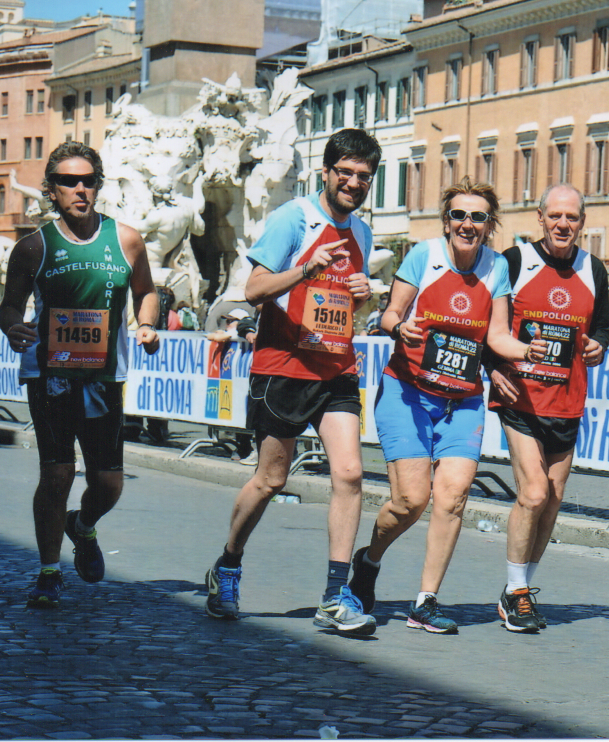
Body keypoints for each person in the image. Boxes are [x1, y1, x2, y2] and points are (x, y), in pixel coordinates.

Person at [347, 177, 547, 634]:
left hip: (463, 400)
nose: (467, 224)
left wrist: (522, 351)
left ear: (489, 225)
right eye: (459, 215)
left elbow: (495, 334)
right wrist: (401, 329)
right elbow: (389, 313)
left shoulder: (497, 267)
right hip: (408, 392)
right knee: (410, 501)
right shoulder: (424, 256)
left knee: (453, 498)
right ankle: (369, 559)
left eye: (478, 217)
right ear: (446, 220)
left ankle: (426, 601)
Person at [203, 128, 380, 634]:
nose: (352, 183)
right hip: (282, 367)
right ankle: (228, 563)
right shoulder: (294, 219)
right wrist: (304, 270)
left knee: (349, 475)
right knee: (271, 479)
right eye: (344, 173)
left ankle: (334, 596)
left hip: (336, 367)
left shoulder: (362, 234)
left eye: (363, 177)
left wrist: (362, 294)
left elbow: (340, 301)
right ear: (326, 173)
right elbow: (253, 289)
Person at [0, 142, 161, 608]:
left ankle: (82, 526)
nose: (80, 189)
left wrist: (146, 323)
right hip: (50, 373)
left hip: (104, 376)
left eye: (88, 180)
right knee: (57, 473)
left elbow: (146, 291)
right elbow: (11, 303)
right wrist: (13, 327)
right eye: (68, 181)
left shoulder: (126, 239)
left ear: (99, 185)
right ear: (51, 189)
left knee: (108, 484)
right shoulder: (34, 247)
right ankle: (49, 571)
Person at [486, 184, 609, 632]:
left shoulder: (593, 269)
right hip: (520, 398)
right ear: (540, 218)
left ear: (582, 222)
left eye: (571, 218)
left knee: (552, 502)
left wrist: (599, 347)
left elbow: (601, 330)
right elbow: (488, 323)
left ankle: (517, 590)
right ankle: (517, 594)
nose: (563, 225)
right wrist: (493, 365)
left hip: (568, 402)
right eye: (555, 216)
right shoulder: (514, 262)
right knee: (534, 492)